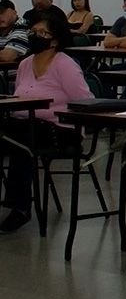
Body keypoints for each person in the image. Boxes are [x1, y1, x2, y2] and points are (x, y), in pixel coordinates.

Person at [0, 12, 93, 232]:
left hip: (59, 128)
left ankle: (21, 208)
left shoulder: (64, 64)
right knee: (11, 136)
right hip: (24, 122)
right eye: (33, 32)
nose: (35, 36)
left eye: (42, 32)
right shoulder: (25, 64)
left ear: (55, 39)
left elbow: (86, 101)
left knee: (22, 143)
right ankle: (11, 200)